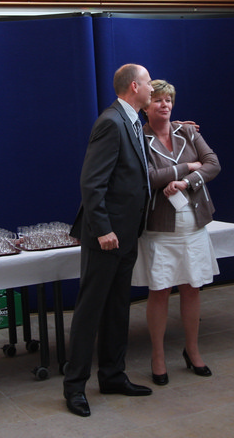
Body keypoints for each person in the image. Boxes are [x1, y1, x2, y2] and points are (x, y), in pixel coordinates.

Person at [63, 63, 154, 418]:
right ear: (134, 87)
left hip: (127, 234)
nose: (153, 88)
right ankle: (74, 387)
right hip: (107, 236)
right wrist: (102, 229)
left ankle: (113, 375)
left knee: (117, 307)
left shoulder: (132, 121)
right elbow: (92, 183)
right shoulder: (110, 122)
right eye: (148, 83)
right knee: (91, 311)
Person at [133, 79, 220, 385]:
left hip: (193, 223)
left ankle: (192, 350)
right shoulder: (138, 137)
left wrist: (187, 182)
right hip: (159, 227)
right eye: (158, 100)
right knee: (159, 291)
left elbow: (213, 164)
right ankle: (158, 356)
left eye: (169, 100)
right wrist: (186, 167)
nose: (165, 105)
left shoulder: (187, 131)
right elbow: (148, 177)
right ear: (146, 107)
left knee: (192, 288)